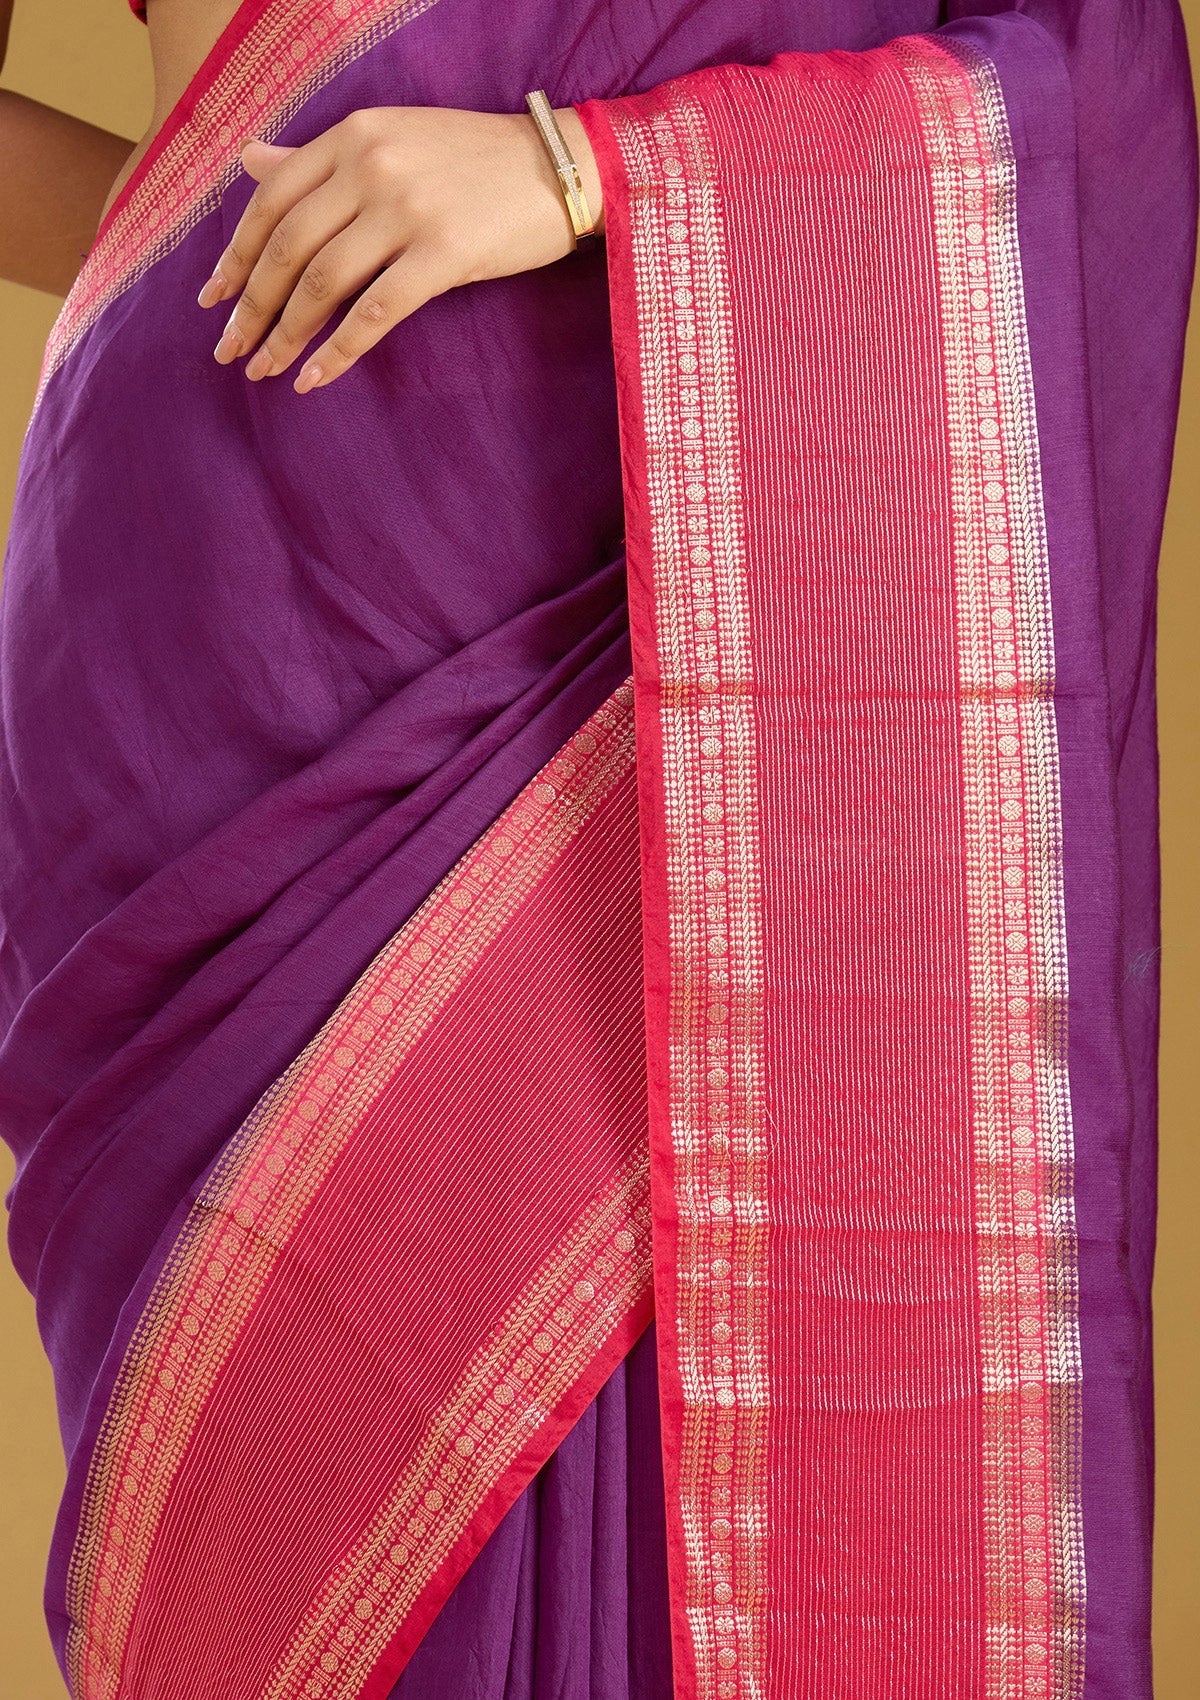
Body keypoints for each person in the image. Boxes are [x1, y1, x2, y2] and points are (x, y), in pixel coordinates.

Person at [0, 1, 1194, 1696]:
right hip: (226, 637)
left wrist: (573, 175)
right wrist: (246, 244)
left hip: (705, 603)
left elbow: (1086, 86)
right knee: (292, 1525)